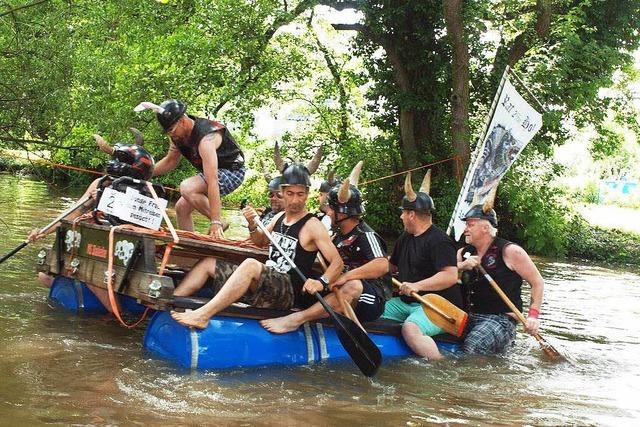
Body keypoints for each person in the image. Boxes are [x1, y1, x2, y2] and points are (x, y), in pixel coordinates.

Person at [170, 146, 344, 329]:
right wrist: (253, 224)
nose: (294, 200)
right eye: (290, 193)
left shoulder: (313, 225)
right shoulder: (279, 217)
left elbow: (337, 263)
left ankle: (203, 315)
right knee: (208, 263)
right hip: (266, 281)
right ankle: (170, 303)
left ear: (307, 194)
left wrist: (321, 281)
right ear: (283, 192)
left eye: (300, 194)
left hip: (288, 290)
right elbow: (260, 240)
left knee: (251, 264)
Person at [28, 131, 156, 311]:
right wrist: (43, 231)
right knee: (44, 275)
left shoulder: (146, 193)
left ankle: (116, 316)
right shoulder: (100, 183)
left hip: (121, 254)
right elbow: (75, 212)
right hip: (96, 248)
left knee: (92, 273)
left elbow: (141, 230)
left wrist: (106, 201)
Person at [261, 161, 391, 333]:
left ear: (342, 213)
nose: (327, 212)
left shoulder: (365, 235)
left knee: (353, 285)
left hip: (368, 296)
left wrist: (345, 277)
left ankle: (297, 319)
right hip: (340, 286)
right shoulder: (336, 235)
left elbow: (382, 265)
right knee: (310, 277)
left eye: (330, 209)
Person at [134, 100, 245, 238]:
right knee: (181, 208)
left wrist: (215, 220)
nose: (171, 135)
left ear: (182, 121)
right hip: (212, 172)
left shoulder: (206, 139)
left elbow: (213, 181)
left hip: (232, 171)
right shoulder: (177, 136)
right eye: (168, 132)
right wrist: (143, 172)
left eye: (172, 130)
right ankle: (189, 244)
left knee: (187, 187)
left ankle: (221, 221)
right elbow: (170, 161)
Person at [381, 171, 461, 361]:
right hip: (406, 302)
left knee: (410, 329)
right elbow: (390, 266)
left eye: (403, 212)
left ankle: (439, 365)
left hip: (439, 306)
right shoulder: (405, 238)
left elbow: (449, 276)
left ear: (411, 214)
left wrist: (418, 286)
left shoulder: (440, 241)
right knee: (373, 310)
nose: (400, 216)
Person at [456, 192, 544, 355]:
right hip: (467, 316)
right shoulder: (462, 253)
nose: (465, 230)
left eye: (470, 224)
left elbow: (537, 283)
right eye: (466, 225)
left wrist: (533, 316)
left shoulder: (511, 251)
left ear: (485, 227)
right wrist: (461, 266)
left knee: (473, 346)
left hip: (501, 319)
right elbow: (448, 277)